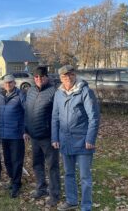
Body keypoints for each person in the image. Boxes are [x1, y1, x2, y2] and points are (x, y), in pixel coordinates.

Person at [51, 65, 100, 211]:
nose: (68, 78)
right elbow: (54, 118)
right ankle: (71, 201)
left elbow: (94, 117)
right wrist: (55, 138)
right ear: (60, 78)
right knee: (68, 173)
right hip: (65, 141)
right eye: (64, 76)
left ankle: (86, 206)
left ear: (74, 75)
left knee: (85, 177)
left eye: (70, 75)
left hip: (83, 142)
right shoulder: (58, 93)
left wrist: (90, 139)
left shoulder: (85, 91)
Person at [24, 66, 60, 207]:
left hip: (48, 137)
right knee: (37, 164)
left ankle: (54, 194)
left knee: (52, 166)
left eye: (42, 76)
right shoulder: (31, 91)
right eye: (37, 77)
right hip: (34, 136)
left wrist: (55, 136)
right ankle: (41, 188)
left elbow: (57, 115)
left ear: (47, 77)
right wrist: (26, 130)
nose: (39, 79)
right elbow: (27, 112)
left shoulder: (53, 92)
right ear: (34, 78)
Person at [0, 75, 26, 198]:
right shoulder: (1, 96)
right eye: (6, 83)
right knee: (7, 160)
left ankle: (16, 183)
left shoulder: (20, 95)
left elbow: (26, 112)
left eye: (10, 82)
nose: (8, 85)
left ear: (14, 83)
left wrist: (25, 130)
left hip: (16, 134)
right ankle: (12, 179)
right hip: (4, 134)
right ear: (3, 84)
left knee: (16, 160)